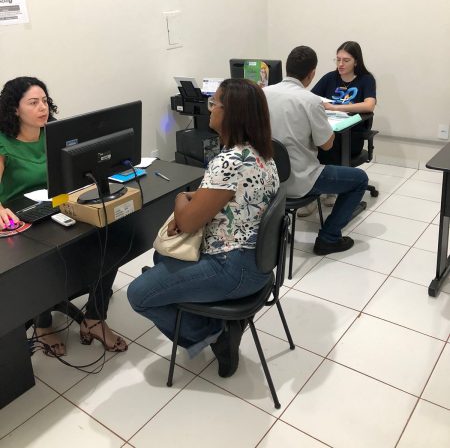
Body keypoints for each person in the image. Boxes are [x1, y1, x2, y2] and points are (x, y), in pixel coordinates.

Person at [128, 78, 279, 378]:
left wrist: (179, 198)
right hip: (256, 265)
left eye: (214, 103)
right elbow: (225, 195)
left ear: (231, 113)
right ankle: (212, 321)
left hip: (232, 269)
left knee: (138, 294)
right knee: (162, 260)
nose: (209, 109)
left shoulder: (228, 162)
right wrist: (193, 201)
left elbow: (185, 222)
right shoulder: (262, 154)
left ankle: (215, 333)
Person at [0, 77, 127, 356]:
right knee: (41, 262)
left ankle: (94, 317)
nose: (42, 108)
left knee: (112, 239)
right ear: (14, 110)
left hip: (60, 205)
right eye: (33, 103)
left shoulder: (55, 132)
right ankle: (43, 324)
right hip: (24, 218)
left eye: (44, 101)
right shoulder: (3, 143)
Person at [263, 46, 368, 255]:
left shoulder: (262, 93)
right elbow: (327, 145)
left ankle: (276, 231)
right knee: (360, 179)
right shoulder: (311, 101)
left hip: (268, 179)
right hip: (301, 179)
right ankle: (329, 238)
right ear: (312, 74)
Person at [311, 40, 376, 164]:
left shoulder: (366, 79)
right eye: (338, 59)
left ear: (356, 61)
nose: (340, 64)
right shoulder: (329, 77)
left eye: (346, 61)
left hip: (351, 135)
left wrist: (335, 108)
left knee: (327, 146)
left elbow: (369, 105)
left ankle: (334, 179)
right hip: (327, 129)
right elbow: (310, 98)